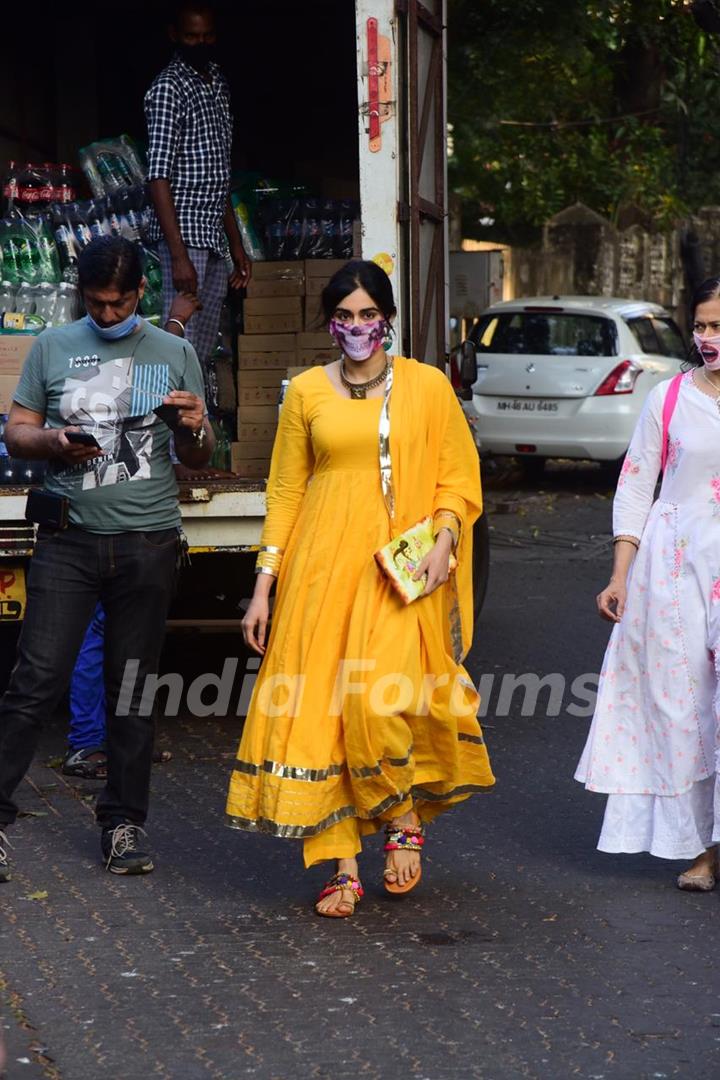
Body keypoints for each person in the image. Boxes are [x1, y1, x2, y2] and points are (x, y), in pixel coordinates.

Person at [226, 260, 495, 917]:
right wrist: (263, 587)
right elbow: (286, 492)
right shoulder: (308, 393)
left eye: (368, 315)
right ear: (329, 323)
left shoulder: (428, 388)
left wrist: (445, 537)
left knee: (381, 703)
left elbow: (458, 477)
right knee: (322, 713)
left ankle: (402, 818)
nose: (356, 327)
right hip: (320, 571)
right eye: (344, 316)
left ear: (388, 319)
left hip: (398, 574)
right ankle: (339, 863)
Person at [0, 236, 214, 882]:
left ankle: (123, 825)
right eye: (96, 303)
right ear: (81, 295)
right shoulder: (53, 347)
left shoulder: (173, 353)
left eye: (119, 303)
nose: (109, 314)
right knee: (33, 681)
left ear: (139, 293)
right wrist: (52, 441)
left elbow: (200, 455)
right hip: (68, 539)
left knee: (132, 692)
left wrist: (193, 426)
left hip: (148, 541)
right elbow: (16, 430)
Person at [576, 276, 720, 891]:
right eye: (703, 326)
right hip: (675, 568)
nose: (707, 338)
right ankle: (701, 851)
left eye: (719, 326)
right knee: (683, 706)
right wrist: (620, 575)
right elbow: (636, 484)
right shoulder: (668, 398)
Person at [144, 0, 251, 379]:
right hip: (184, 237)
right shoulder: (168, 89)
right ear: (174, 36)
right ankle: (167, 437)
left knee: (199, 351)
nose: (200, 43)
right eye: (191, 36)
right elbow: (158, 176)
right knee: (176, 343)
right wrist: (178, 257)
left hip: (212, 238)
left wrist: (236, 244)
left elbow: (217, 173)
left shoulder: (216, 81)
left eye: (206, 36)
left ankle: (190, 432)